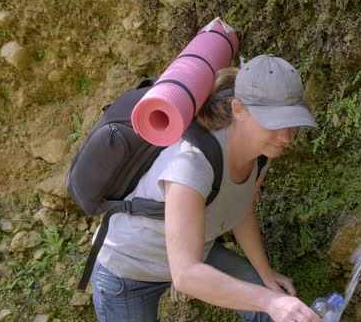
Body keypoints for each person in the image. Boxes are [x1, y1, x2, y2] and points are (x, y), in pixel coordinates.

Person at [90, 55, 321, 322]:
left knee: (278, 313)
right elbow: (186, 275)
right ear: (239, 109)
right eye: (274, 123)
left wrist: (267, 279)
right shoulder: (191, 164)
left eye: (291, 122)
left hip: (198, 251)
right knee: (271, 305)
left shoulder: (261, 153)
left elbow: (243, 211)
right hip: (128, 272)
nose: (287, 137)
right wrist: (270, 300)